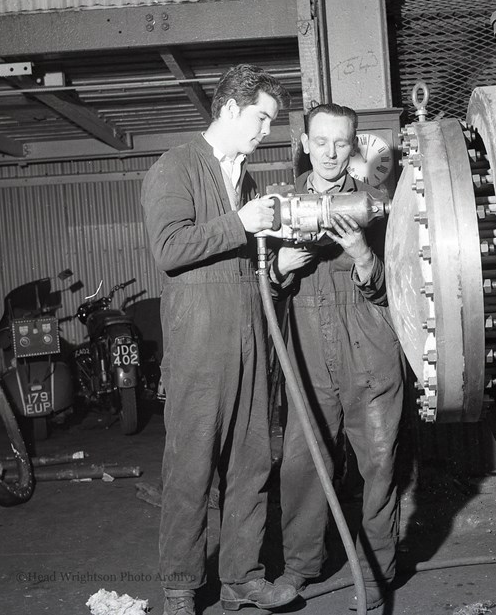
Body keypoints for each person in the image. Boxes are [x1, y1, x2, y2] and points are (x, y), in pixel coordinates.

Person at [141, 64, 298, 615]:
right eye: (260, 118)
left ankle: (241, 576)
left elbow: (247, 262)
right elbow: (169, 249)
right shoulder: (175, 167)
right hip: (200, 337)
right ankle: (181, 587)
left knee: (253, 461)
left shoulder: (245, 180)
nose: (265, 132)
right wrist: (243, 222)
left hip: (250, 333)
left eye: (271, 122)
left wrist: (279, 261)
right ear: (230, 108)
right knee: (191, 466)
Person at [271, 103, 405, 611]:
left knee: (379, 462)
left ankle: (373, 573)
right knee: (303, 467)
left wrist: (366, 257)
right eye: (320, 141)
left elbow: (407, 290)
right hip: (306, 349)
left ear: (353, 146)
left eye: (341, 143)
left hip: (369, 351)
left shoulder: (376, 204)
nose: (329, 153)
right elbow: (258, 287)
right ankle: (300, 569)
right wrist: (281, 265)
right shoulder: (281, 204)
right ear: (304, 142)